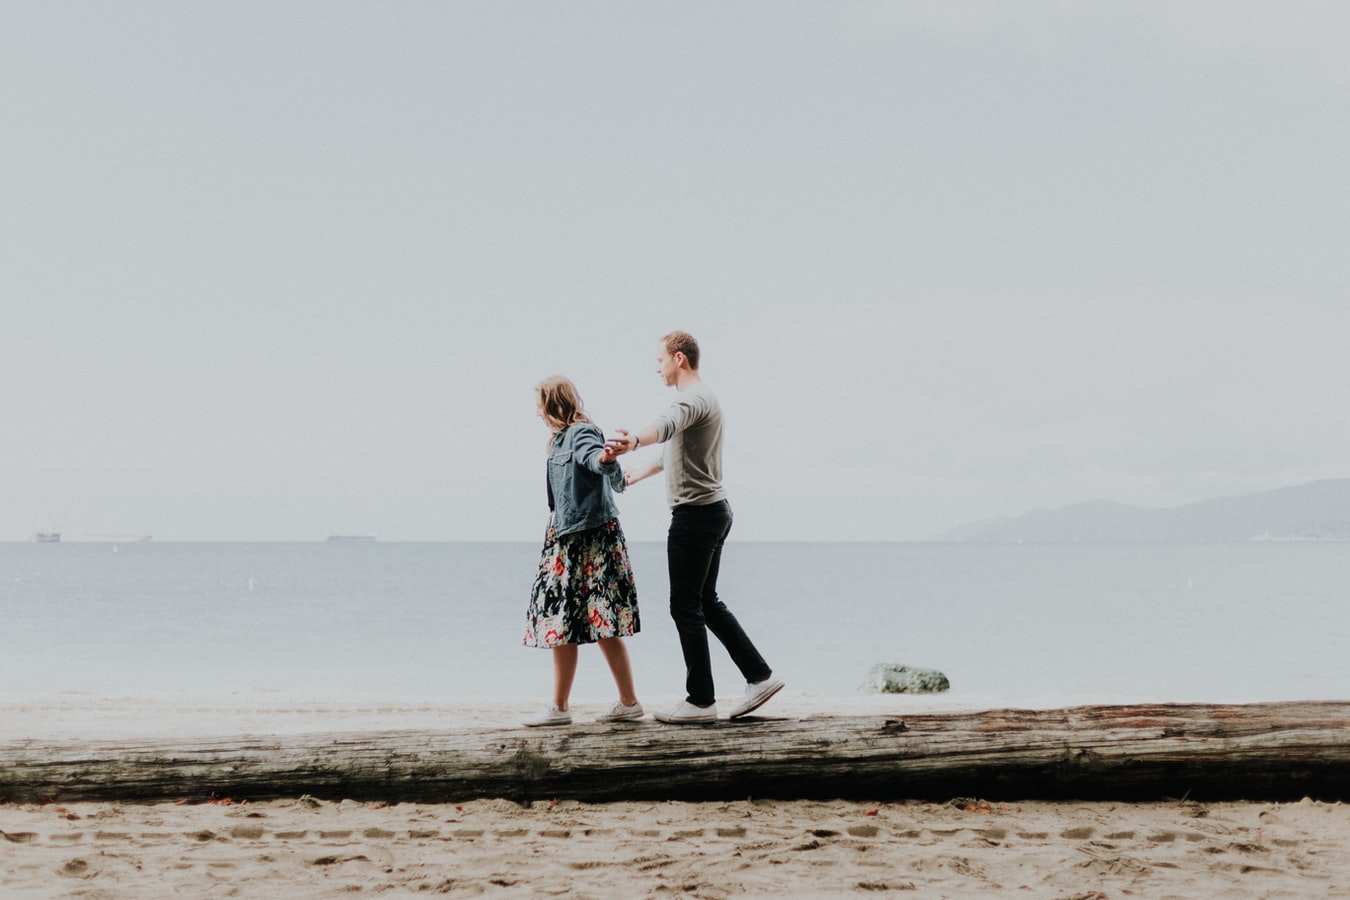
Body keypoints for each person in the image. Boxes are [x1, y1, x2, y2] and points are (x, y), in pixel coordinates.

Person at [607, 331, 783, 724]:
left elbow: (665, 426)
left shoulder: (691, 400)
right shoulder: (705, 400)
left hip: (696, 516)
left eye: (660, 359)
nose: (657, 366)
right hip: (713, 511)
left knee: (684, 606)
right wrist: (637, 472)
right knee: (705, 601)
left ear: (679, 358)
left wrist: (633, 439)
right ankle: (759, 676)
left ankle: (701, 701)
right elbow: (676, 450)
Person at [523, 375, 643, 727]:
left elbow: (595, 460)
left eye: (539, 405)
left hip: (589, 540)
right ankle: (563, 706)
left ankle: (625, 703)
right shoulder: (558, 440)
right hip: (566, 538)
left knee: (601, 621)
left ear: (552, 402)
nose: (537, 413)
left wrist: (606, 459)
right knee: (564, 622)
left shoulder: (581, 432)